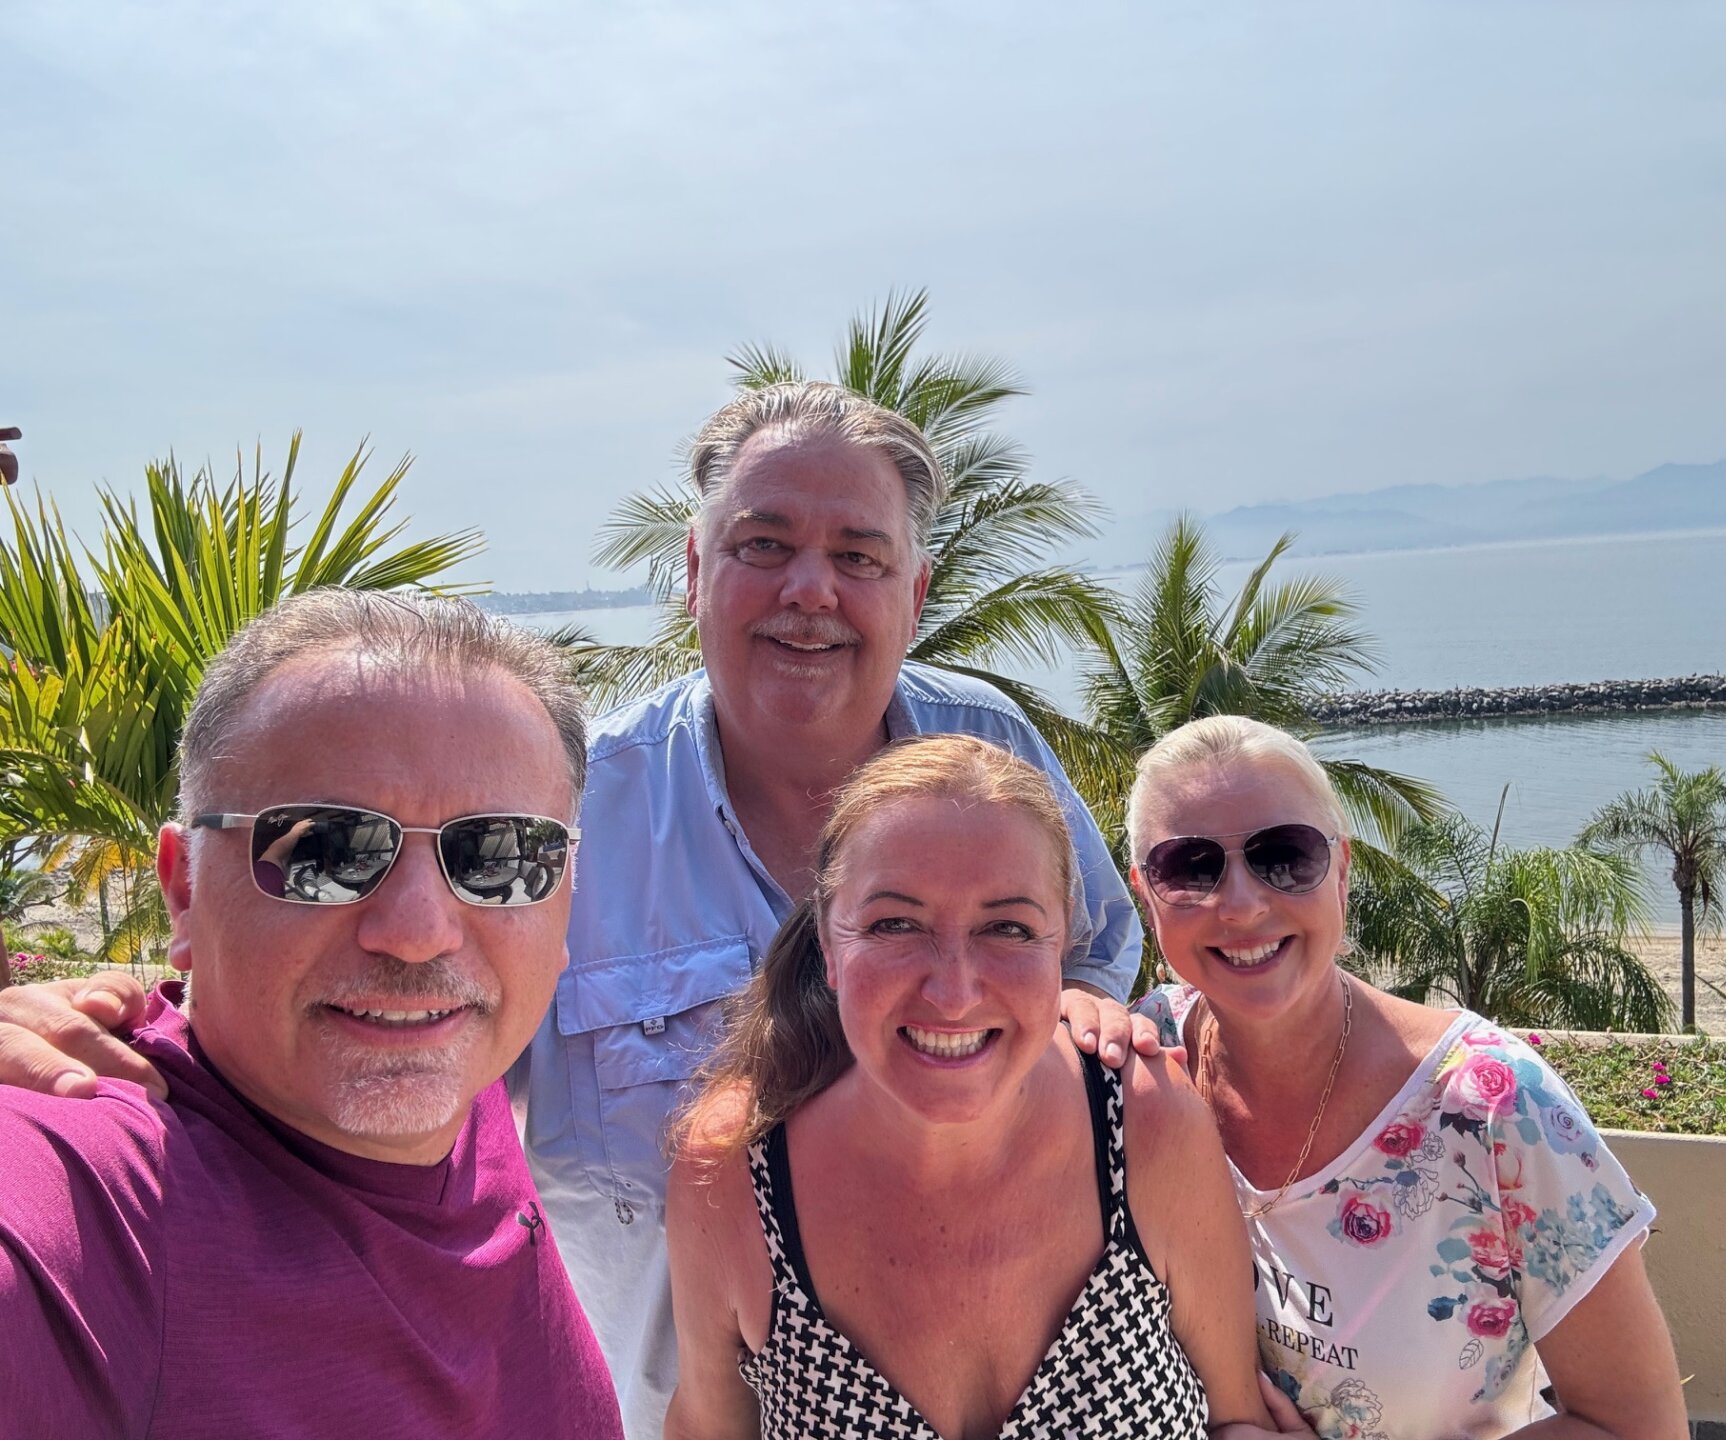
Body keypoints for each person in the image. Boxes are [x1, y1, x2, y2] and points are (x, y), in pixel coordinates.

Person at [0, 382, 1148, 1436]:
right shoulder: (560, 807)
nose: (811, 589)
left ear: (917, 591)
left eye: (858, 554)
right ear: (694, 571)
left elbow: (1094, 961)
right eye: (764, 546)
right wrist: (85, 1019)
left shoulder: (993, 747)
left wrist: (1073, 1028)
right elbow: (330, 1041)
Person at [0, 591, 623, 1438]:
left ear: (564, 901)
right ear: (184, 890)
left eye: (498, 857)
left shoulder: (448, 1080)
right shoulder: (100, 1209)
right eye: (323, 850)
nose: (416, 934)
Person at [666, 735, 1272, 1440]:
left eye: (1007, 928)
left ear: (1061, 950)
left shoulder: (1148, 1123)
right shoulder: (733, 1173)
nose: (953, 992)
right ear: (830, 949)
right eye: (896, 924)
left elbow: (1237, 1418)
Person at [1128, 716, 1689, 1440]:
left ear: (1342, 872)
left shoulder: (1493, 1106)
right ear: (1147, 893)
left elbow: (1639, 1428)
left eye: (1285, 856)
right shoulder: (1148, 1063)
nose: (1240, 903)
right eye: (1191, 868)